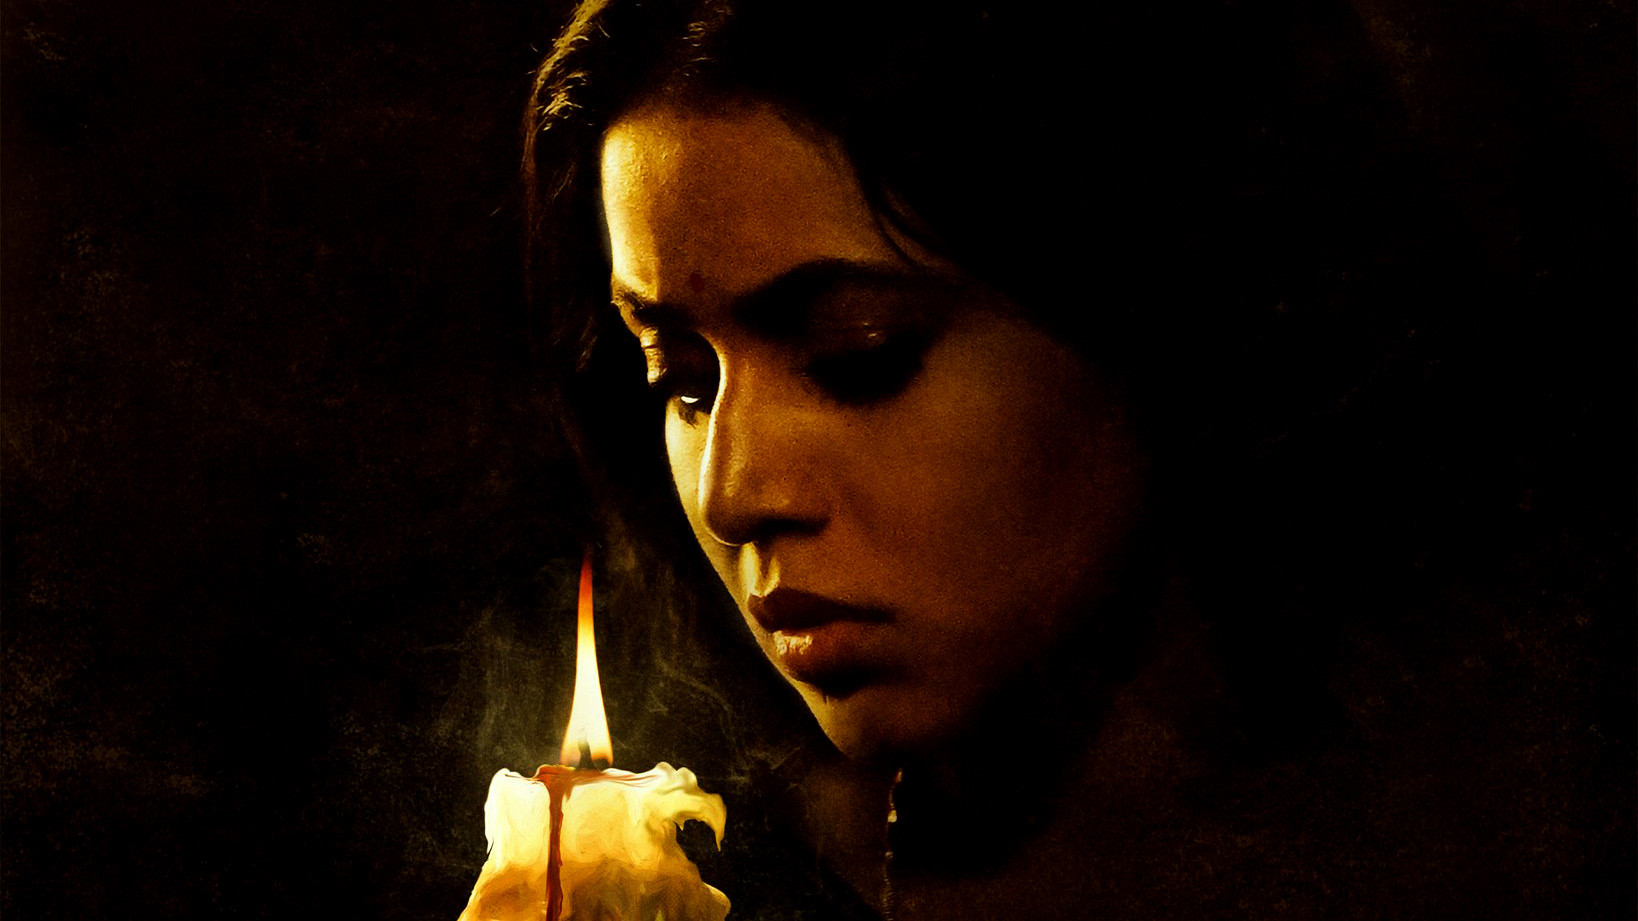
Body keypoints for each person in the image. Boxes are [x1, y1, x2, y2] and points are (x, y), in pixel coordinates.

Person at [514, 1, 1593, 918]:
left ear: (1155, 308)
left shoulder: (1518, 832)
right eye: (680, 380)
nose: (731, 493)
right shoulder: (725, 862)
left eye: (858, 356)